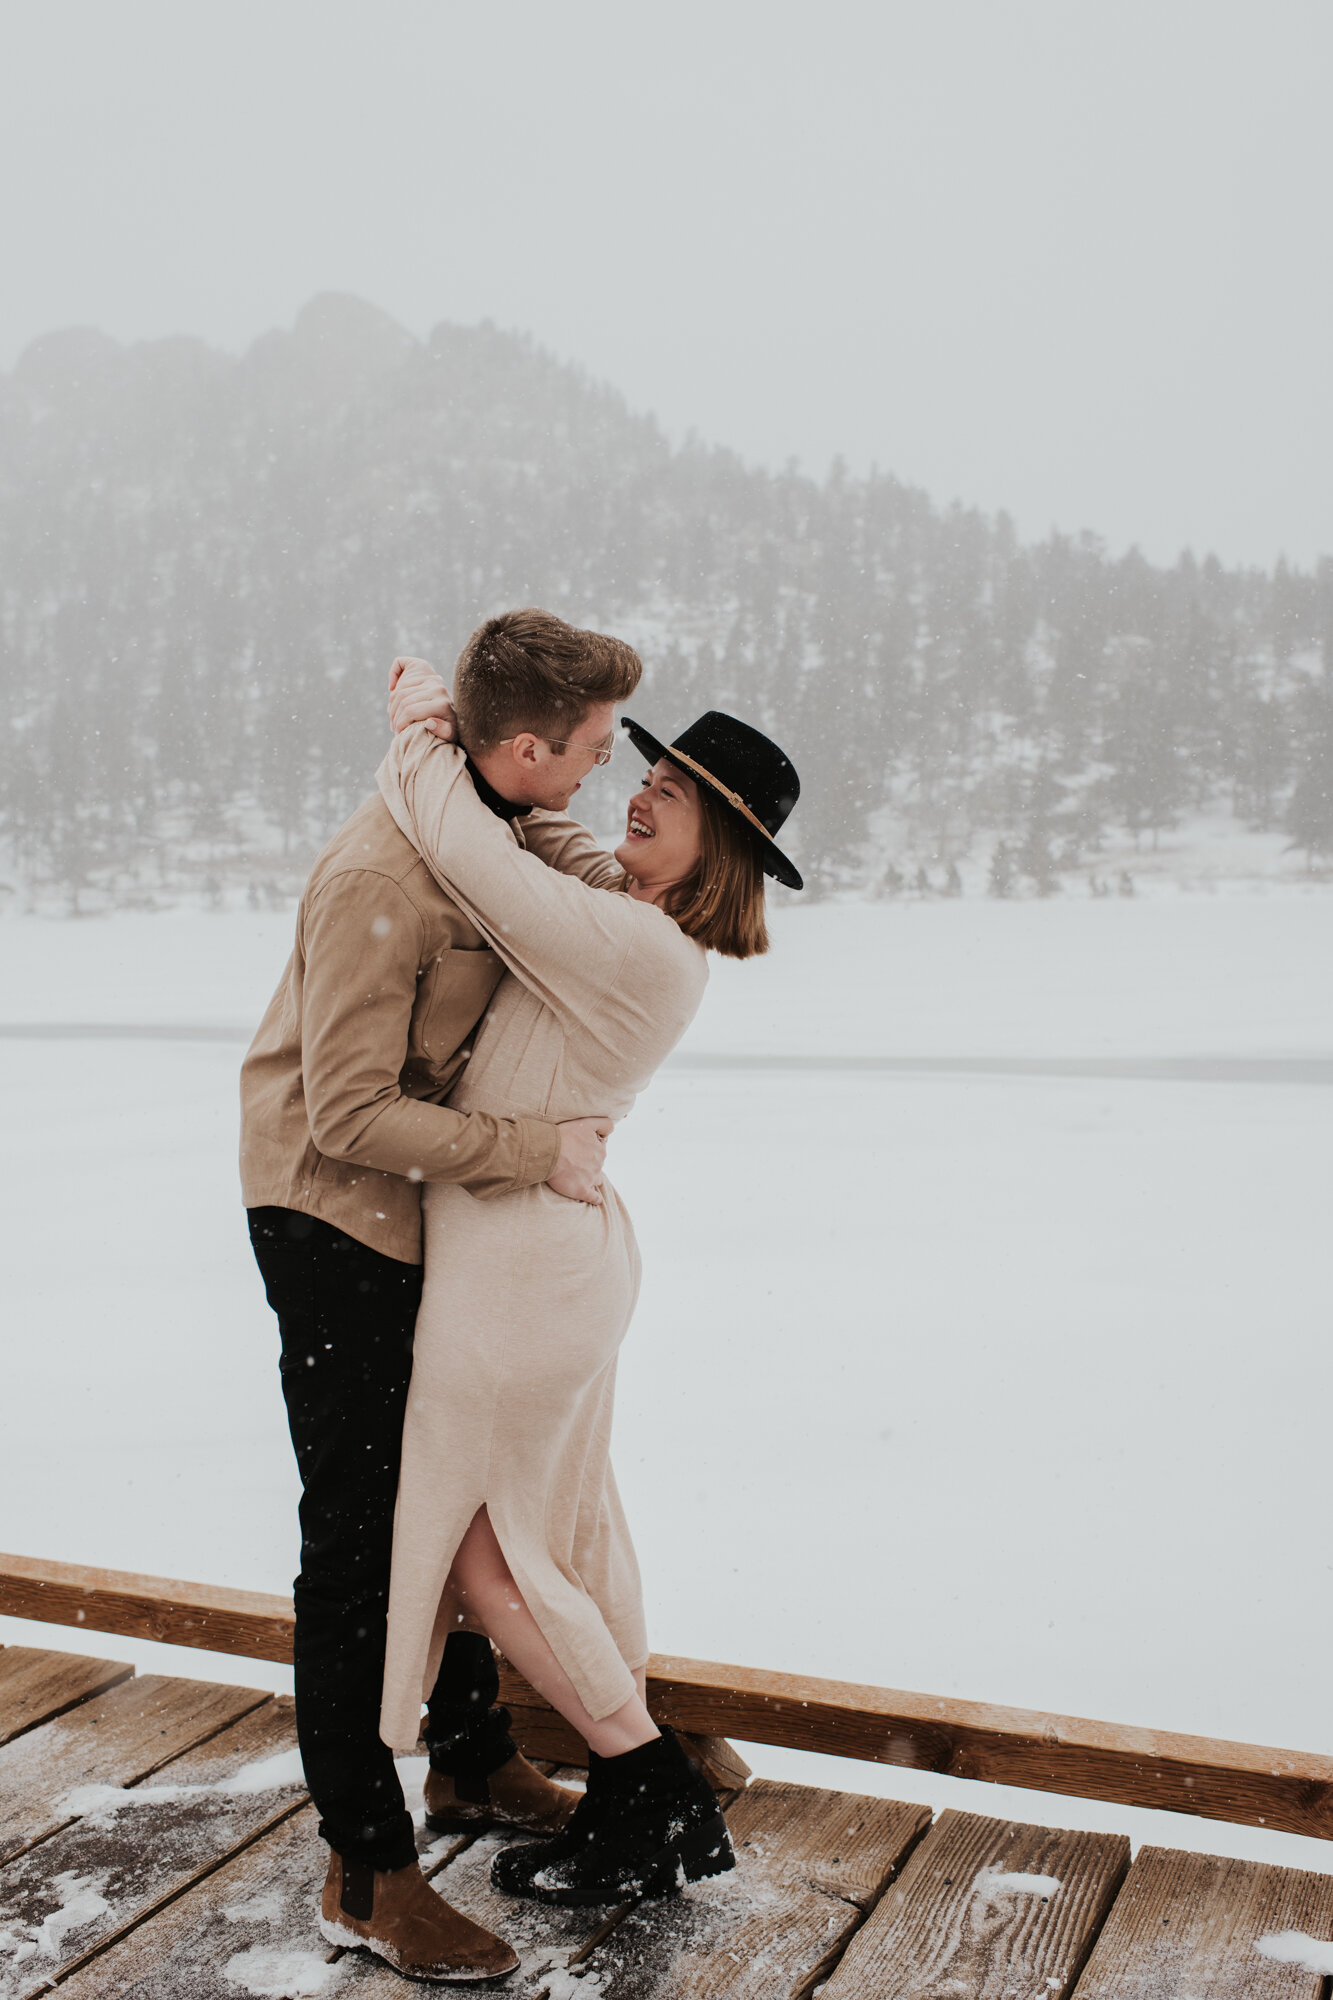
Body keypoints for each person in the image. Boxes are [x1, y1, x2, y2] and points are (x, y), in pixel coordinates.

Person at [241, 611, 645, 1983]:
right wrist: (538, 1153)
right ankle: (367, 1871)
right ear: (524, 747)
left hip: (419, 1219)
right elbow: (348, 1112)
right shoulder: (384, 875)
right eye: (589, 751)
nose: (597, 771)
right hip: (330, 1217)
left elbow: (575, 875)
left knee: (458, 1487)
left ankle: (468, 1759)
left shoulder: (489, 811)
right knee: (357, 1541)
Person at [373, 657, 804, 1910]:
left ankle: (646, 1782)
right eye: (652, 770)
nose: (643, 793)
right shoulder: (630, 911)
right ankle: (635, 1793)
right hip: (542, 1259)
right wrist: (486, 756)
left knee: (491, 1557)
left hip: (519, 1270)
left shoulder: (631, 943)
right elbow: (552, 836)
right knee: (556, 1530)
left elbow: (476, 854)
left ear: (718, 840)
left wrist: (420, 733)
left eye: (675, 791)